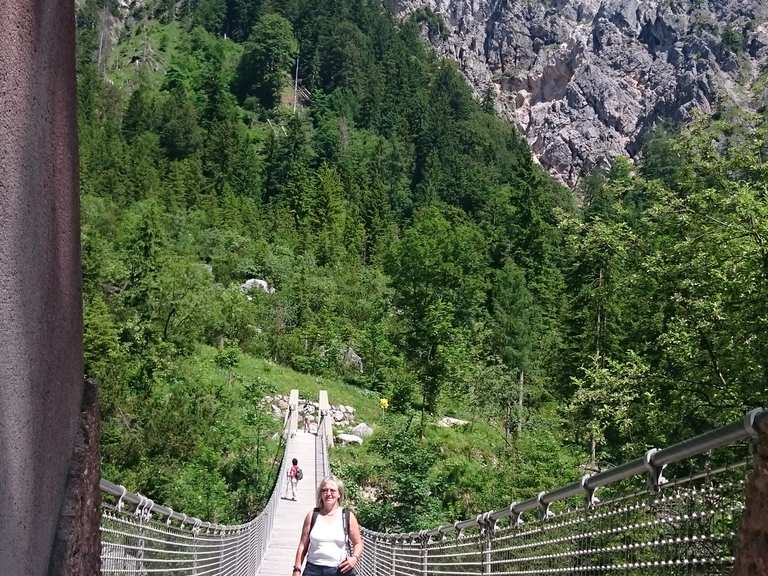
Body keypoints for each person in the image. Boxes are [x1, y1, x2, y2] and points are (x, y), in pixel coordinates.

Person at [292, 476, 363, 576]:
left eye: (332, 490)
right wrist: (297, 569)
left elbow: (358, 543)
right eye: (324, 490)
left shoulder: (347, 516)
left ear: (339, 494)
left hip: (340, 570)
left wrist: (354, 558)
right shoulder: (312, 515)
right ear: (321, 494)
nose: (328, 493)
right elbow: (303, 545)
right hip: (313, 570)